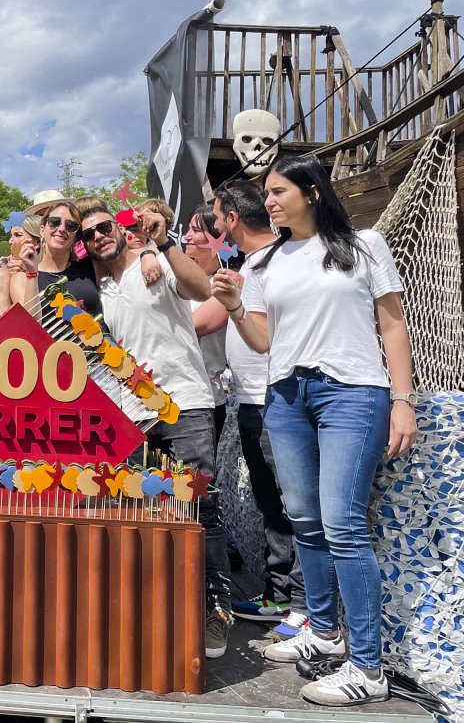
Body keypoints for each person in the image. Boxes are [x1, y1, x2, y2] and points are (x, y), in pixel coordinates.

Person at [211, 156, 415, 707]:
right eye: (267, 194)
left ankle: (367, 667)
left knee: (343, 524)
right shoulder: (272, 260)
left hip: (352, 391)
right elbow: (263, 341)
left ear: (312, 192)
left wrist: (403, 400)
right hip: (286, 395)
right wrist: (233, 305)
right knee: (305, 519)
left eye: (278, 192)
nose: (269, 202)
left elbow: (392, 323)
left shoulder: (365, 244)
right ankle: (323, 633)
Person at [80, 204, 235, 659]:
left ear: (119, 226)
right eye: (88, 234)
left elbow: (201, 287)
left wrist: (161, 245)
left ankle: (215, 609)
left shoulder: (160, 261)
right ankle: (155, 608)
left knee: (197, 508)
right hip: (130, 410)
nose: (98, 236)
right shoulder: (96, 286)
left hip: (184, 401)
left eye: (104, 227)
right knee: (140, 509)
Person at [212, 179, 307, 639]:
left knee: (297, 505)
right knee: (272, 503)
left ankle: (307, 603)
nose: (215, 226)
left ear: (232, 218)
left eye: (216, 216)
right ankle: (279, 594)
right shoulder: (249, 263)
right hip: (248, 399)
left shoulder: (282, 260)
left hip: (280, 398)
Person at [184, 204, 230, 443]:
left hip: (205, 399)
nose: (186, 236)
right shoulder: (177, 279)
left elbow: (193, 326)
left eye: (195, 229)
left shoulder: (225, 281)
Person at [10, 199, 102, 314]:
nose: (62, 229)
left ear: (76, 237)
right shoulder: (21, 278)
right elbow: (29, 326)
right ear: (42, 230)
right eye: (55, 222)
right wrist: (32, 274)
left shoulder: (91, 266)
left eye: (71, 225)